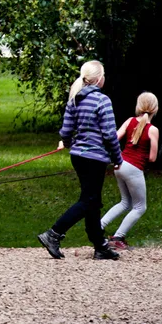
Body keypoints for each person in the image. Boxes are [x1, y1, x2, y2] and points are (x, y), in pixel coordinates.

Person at [37, 60, 122, 260]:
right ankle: (54, 234)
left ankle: (100, 245)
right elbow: (110, 135)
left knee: (92, 201)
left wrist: (66, 142)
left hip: (78, 157)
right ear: (99, 79)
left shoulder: (74, 99)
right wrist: (117, 158)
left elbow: (66, 130)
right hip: (95, 158)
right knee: (88, 200)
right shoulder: (103, 101)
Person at [100, 92, 159, 250]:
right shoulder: (152, 129)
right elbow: (152, 158)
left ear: (138, 106)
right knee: (140, 207)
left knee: (125, 202)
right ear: (155, 109)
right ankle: (118, 237)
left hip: (119, 165)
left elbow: (114, 137)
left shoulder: (130, 121)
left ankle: (98, 227)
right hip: (133, 168)